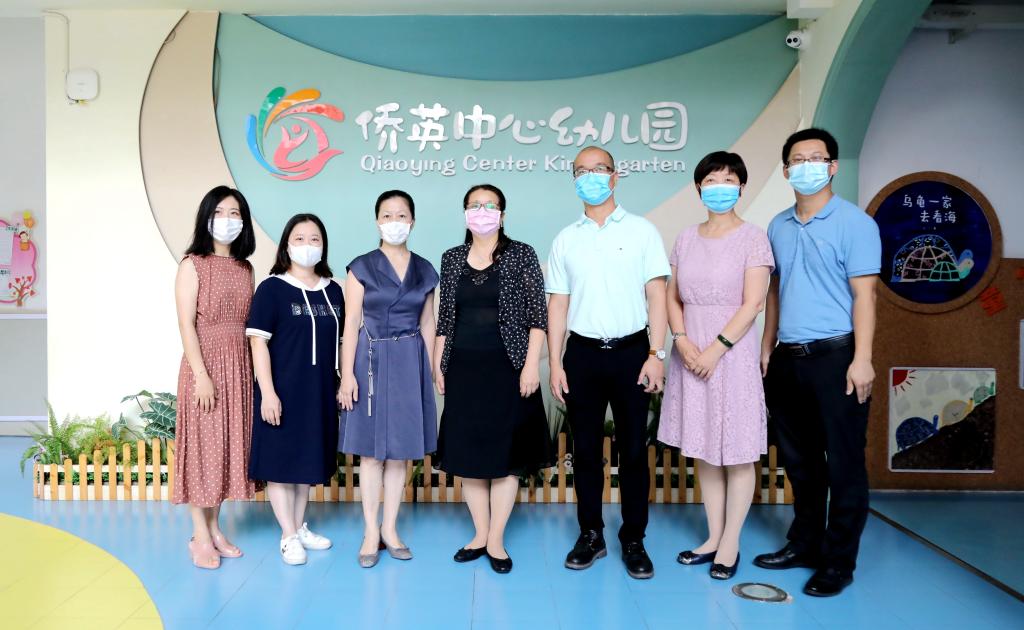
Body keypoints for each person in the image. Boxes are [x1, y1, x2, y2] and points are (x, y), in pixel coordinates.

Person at [756, 128, 880, 597]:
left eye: (816, 158)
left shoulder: (855, 223)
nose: (806, 166)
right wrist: (767, 345)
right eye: (797, 160)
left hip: (837, 357)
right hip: (789, 359)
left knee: (844, 462)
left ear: (832, 167)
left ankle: (838, 561)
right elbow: (774, 291)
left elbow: (865, 296)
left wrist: (863, 359)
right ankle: (804, 544)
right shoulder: (778, 225)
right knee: (801, 462)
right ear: (786, 170)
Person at [547, 146, 670, 580]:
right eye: (581, 171)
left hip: (632, 352)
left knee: (633, 450)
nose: (591, 177)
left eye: (598, 169)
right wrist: (555, 362)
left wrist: (656, 353)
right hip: (581, 355)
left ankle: (633, 539)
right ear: (574, 180)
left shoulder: (642, 231)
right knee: (584, 451)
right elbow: (558, 304)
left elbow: (657, 296)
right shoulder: (566, 238)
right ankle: (591, 534)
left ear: (615, 177)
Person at [657, 152, 774, 580]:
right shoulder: (686, 238)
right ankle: (712, 536)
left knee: (738, 451)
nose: (719, 187)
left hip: (732, 352)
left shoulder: (753, 238)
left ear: (741, 187)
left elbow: (754, 302)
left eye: (728, 180)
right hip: (690, 350)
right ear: (698, 188)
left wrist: (716, 348)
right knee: (704, 448)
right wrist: (682, 340)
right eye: (711, 180)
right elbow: (671, 296)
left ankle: (731, 542)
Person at [434, 184, 552, 574]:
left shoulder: (521, 254)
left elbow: (538, 317)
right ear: (464, 212)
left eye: (490, 205)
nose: (482, 211)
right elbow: (444, 320)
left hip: (509, 368)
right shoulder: (451, 258)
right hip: (463, 368)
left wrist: (531, 366)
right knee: (468, 455)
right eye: (474, 205)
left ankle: (497, 539)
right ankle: (480, 534)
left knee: (507, 457)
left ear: (502, 213)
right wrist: (438, 365)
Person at [338, 190, 439, 568]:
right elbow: (351, 322)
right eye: (387, 215)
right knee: (370, 453)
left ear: (412, 221)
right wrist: (346, 375)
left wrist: (432, 370)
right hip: (370, 359)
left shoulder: (425, 270)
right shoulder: (361, 267)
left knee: (400, 452)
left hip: (410, 359)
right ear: (377, 221)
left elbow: (428, 322)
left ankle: (391, 528)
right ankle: (370, 531)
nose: (394, 222)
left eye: (401, 215)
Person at [246, 213, 344, 566]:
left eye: (314, 239)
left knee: (306, 463)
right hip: (282, 390)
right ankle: (287, 535)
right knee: (280, 464)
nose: (307, 245)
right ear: (286, 245)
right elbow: (258, 344)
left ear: (324, 245)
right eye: (299, 238)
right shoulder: (272, 289)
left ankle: (299, 527)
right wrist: (268, 393)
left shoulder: (334, 291)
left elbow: (341, 343)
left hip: (319, 393)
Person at [173, 186, 259, 570]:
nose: (228, 220)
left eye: (235, 213)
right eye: (220, 212)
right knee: (202, 450)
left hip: (237, 364)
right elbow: (186, 325)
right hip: (204, 365)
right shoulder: (192, 265)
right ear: (206, 217)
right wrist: (201, 375)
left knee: (225, 449)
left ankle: (214, 528)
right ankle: (199, 535)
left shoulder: (245, 268)